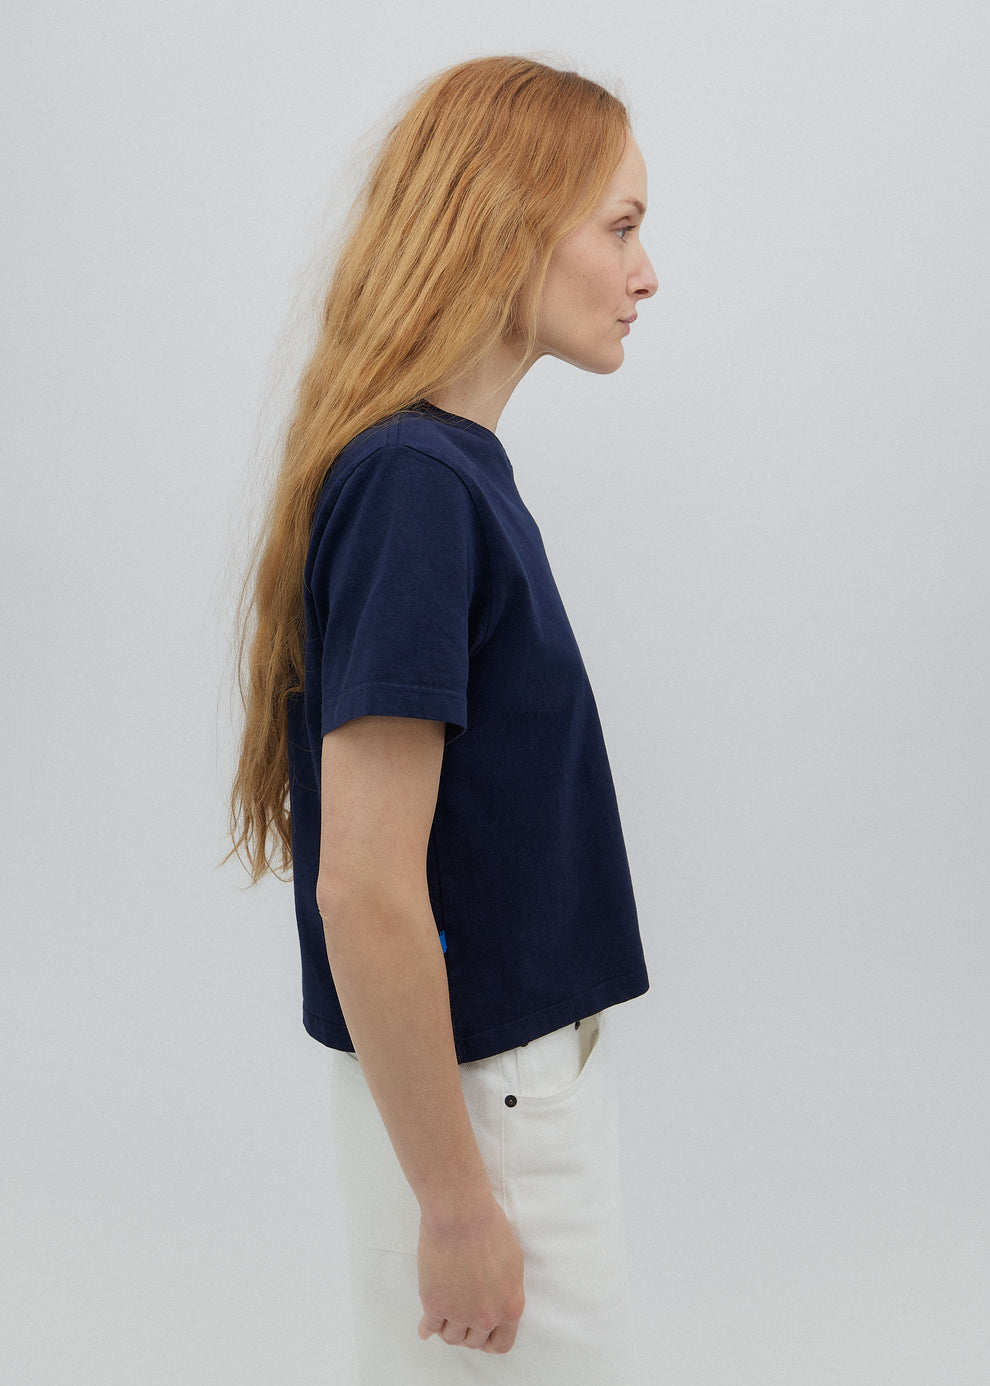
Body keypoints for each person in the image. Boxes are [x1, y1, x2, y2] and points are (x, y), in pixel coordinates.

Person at [230, 54, 658, 1384]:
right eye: (621, 228)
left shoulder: (436, 470)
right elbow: (363, 887)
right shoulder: (416, 484)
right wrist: (462, 1205)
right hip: (488, 1112)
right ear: (506, 227)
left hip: (491, 1100)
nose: (645, 274)